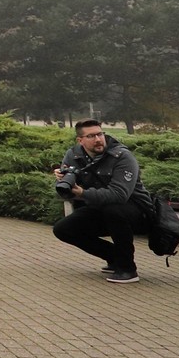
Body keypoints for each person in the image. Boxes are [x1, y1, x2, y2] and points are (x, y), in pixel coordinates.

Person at [52, 119, 153, 283]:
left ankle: (128, 269)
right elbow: (66, 192)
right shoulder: (73, 155)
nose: (98, 139)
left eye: (100, 134)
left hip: (137, 211)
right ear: (80, 140)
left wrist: (83, 193)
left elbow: (119, 195)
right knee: (63, 229)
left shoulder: (122, 156)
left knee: (113, 209)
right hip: (101, 209)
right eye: (91, 136)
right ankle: (115, 257)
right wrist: (63, 181)